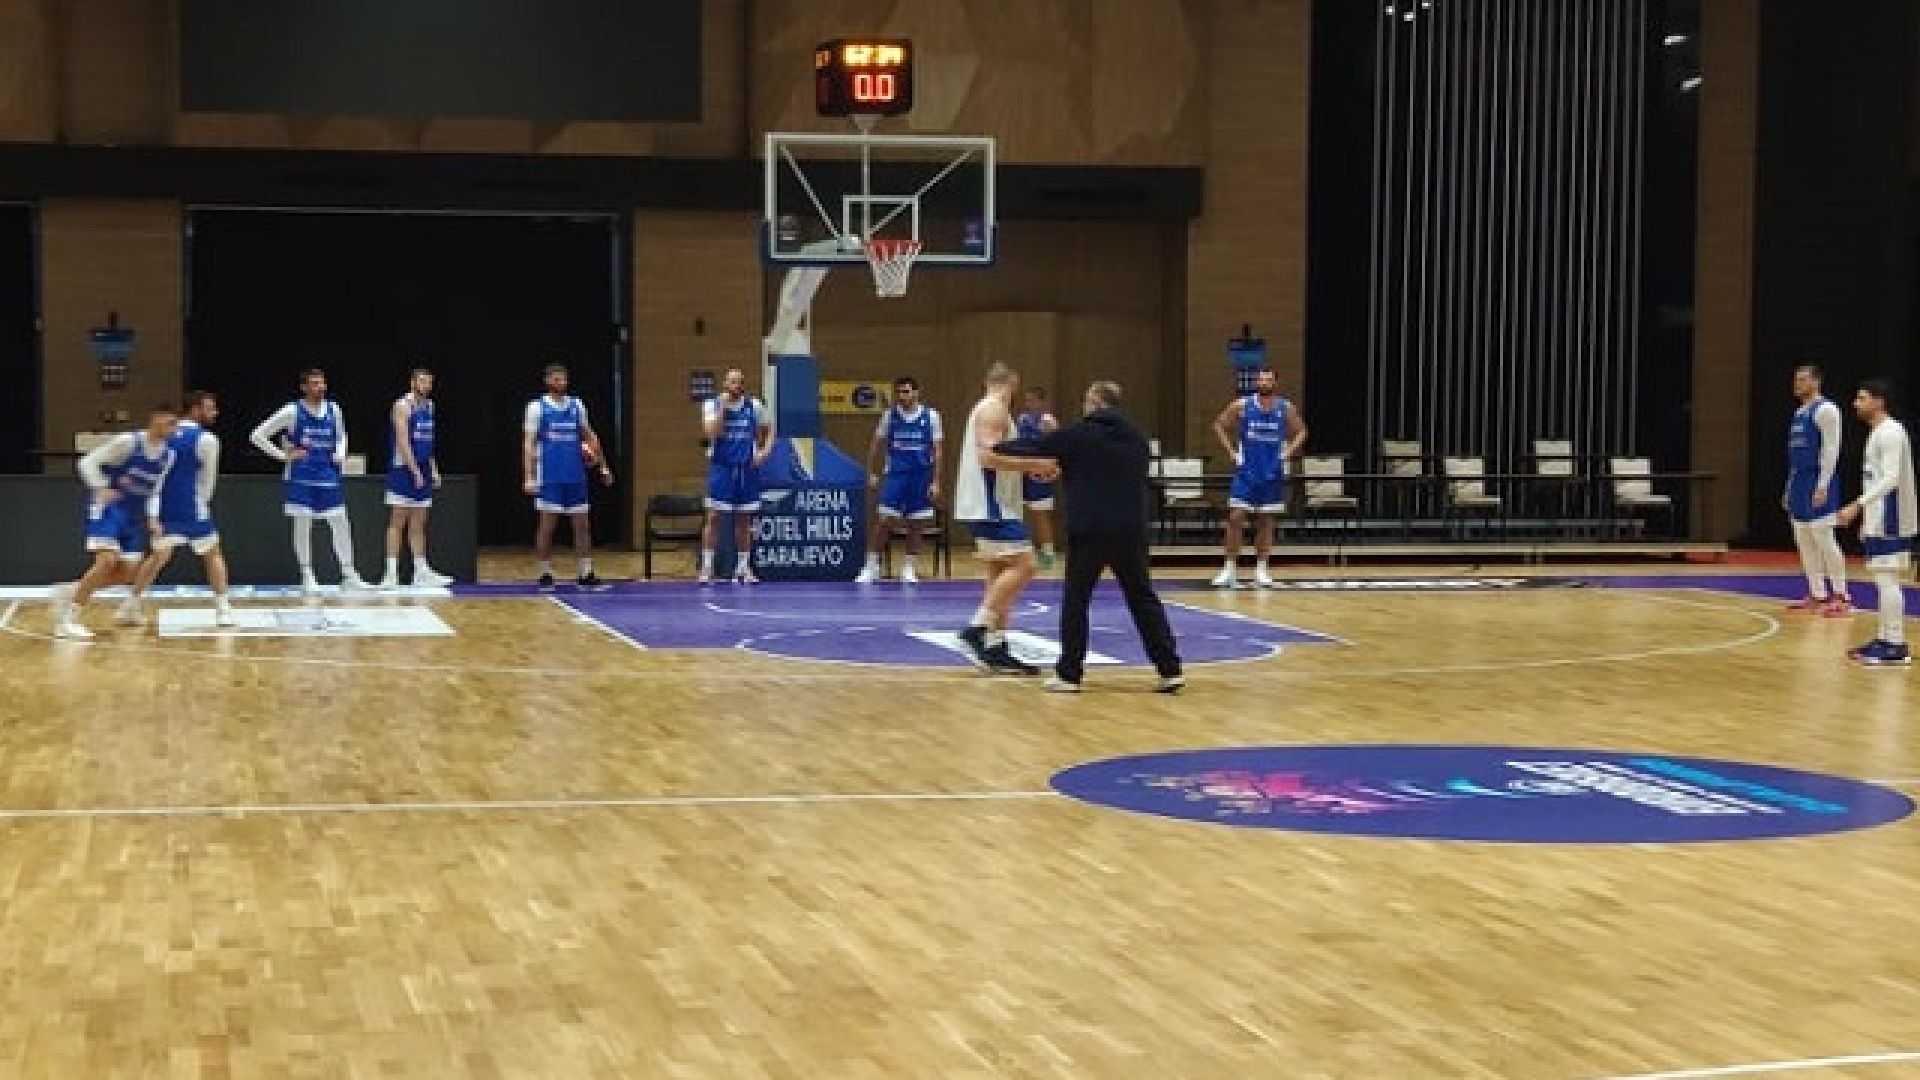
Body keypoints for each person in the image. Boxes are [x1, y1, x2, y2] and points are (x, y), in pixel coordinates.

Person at [997, 380, 1185, 693]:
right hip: (1130, 530)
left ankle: (1069, 674)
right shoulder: (1137, 438)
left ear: (1095, 401)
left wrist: (994, 447)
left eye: (1086, 399)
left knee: (1077, 600)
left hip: (1089, 530)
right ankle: (1170, 669)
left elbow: (1035, 446)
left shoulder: (1079, 434)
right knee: (1143, 599)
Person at [48, 403, 178, 640]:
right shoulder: (128, 442)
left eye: (175, 424)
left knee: (128, 573)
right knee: (106, 561)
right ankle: (68, 620)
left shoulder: (168, 456)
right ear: (155, 419)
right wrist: (100, 486)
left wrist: (153, 517)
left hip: (133, 515)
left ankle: (70, 591)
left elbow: (155, 490)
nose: (173, 429)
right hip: (109, 508)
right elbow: (87, 462)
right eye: (170, 423)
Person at [952, 362, 1042, 675]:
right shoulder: (994, 409)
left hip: (990, 503)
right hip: (991, 505)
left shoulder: (987, 408)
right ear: (1013, 381)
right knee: (1026, 565)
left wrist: (1029, 464)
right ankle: (977, 628)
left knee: (999, 573)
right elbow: (987, 457)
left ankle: (996, 646)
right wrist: (1033, 466)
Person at [251, 368, 369, 594]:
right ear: (304, 387)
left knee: (340, 522)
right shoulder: (291, 411)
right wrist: (283, 455)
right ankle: (307, 574)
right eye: (314, 383)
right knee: (303, 524)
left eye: (322, 383)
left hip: (328, 474)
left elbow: (341, 435)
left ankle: (349, 574)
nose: (320, 387)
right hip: (301, 476)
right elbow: (257, 435)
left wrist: (341, 453)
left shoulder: (334, 409)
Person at [128, 391, 234, 628]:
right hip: (191, 507)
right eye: (210, 408)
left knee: (158, 557)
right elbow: (208, 481)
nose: (215, 413)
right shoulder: (207, 440)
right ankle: (223, 610)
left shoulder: (162, 436)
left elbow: (151, 475)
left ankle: (131, 606)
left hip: (164, 509)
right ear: (195, 410)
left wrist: (152, 512)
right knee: (213, 553)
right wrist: (201, 503)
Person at [1837, 379, 1915, 667]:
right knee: (1883, 579)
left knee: (1888, 579)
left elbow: (1891, 479)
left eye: (1862, 398)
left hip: (1892, 518)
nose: (1856, 403)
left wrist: (1858, 505)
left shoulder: (1891, 432)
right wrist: (1868, 519)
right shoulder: (1878, 432)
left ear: (1879, 401)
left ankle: (1895, 643)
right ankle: (1885, 638)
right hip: (1880, 516)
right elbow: (1875, 480)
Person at [1210, 367, 1308, 588]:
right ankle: (1229, 568)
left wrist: (1288, 452)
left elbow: (1302, 431)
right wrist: (1231, 452)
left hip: (1272, 472)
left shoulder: (1285, 407)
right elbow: (1219, 425)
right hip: (1247, 471)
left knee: (1266, 520)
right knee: (1235, 517)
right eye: (1260, 379)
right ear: (1256, 383)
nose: (1263, 383)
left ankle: (1262, 568)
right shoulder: (1242, 405)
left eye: (1268, 380)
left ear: (1275, 383)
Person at [522, 363, 612, 591]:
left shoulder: (577, 405)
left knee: (582, 526)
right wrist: (529, 476)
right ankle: (545, 573)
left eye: (563, 379)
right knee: (547, 526)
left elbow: (590, 436)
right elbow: (529, 443)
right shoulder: (537, 407)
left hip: (575, 475)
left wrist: (603, 466)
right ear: (547, 381)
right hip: (550, 475)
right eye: (556, 379)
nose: (561, 382)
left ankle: (585, 572)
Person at [856, 376, 942, 584]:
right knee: (885, 520)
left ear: (916, 392)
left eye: (906, 391)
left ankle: (909, 566)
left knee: (916, 523)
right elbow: (875, 445)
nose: (902, 396)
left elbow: (938, 451)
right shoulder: (889, 416)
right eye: (899, 392)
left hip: (920, 475)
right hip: (896, 474)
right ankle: (872, 566)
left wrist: (936, 481)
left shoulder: (931, 416)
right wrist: (871, 472)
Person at [699, 367, 776, 585]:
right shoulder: (712, 404)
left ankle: (743, 568)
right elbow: (713, 432)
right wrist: (723, 409)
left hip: (746, 468)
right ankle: (707, 567)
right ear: (725, 384)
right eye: (733, 382)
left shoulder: (754, 406)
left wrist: (765, 452)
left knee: (744, 520)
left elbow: (770, 428)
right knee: (713, 517)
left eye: (740, 382)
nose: (737, 386)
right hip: (722, 468)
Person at [1783, 363, 1850, 615]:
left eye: (1803, 379)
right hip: (1799, 481)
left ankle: (1842, 596)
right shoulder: (1799, 412)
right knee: (1804, 540)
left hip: (1819, 479)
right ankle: (1817, 594)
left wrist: (1822, 485)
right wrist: (1789, 487)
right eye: (1796, 379)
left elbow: (1831, 450)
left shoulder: (1826, 410)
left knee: (1824, 539)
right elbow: (1794, 456)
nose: (1797, 384)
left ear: (1816, 382)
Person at [380, 367, 451, 590]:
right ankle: (390, 574)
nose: (426, 386)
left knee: (419, 523)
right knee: (397, 521)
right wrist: (414, 471)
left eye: (429, 382)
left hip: (423, 468)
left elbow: (427, 442)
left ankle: (421, 572)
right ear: (412, 383)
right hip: (403, 469)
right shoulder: (402, 406)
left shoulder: (430, 407)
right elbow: (403, 442)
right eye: (422, 381)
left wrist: (433, 469)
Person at [1016, 387, 1060, 569]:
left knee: (1040, 513)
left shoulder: (1048, 421)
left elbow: (1057, 448)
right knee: (1019, 512)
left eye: (1033, 400)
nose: (1029, 404)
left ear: (1042, 402)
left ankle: (1048, 553)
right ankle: (1022, 551)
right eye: (1027, 400)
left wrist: (1051, 468)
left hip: (1039, 473)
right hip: (1022, 471)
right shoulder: (1021, 419)